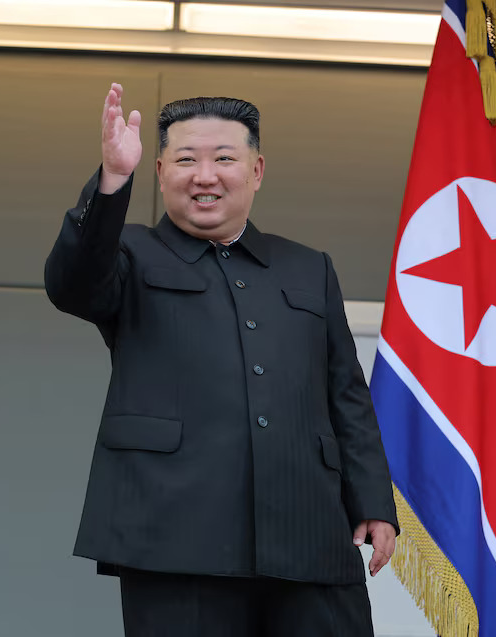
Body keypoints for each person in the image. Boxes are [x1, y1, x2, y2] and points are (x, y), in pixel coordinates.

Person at [45, 82, 399, 637]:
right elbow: (72, 283)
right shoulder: (130, 253)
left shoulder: (308, 268)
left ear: (256, 170)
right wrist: (113, 179)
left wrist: (373, 501)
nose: (204, 175)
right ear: (160, 172)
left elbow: (346, 393)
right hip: (175, 536)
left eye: (224, 159)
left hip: (309, 532)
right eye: (186, 160)